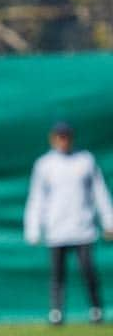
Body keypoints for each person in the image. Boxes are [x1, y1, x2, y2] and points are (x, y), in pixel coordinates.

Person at [24, 121, 112, 325]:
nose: (63, 141)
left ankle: (96, 311)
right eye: (59, 137)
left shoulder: (85, 160)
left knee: (88, 271)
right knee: (57, 275)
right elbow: (37, 198)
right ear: (53, 139)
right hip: (56, 230)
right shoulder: (44, 165)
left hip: (83, 228)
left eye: (66, 136)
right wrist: (33, 228)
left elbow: (99, 193)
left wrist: (109, 221)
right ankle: (56, 313)